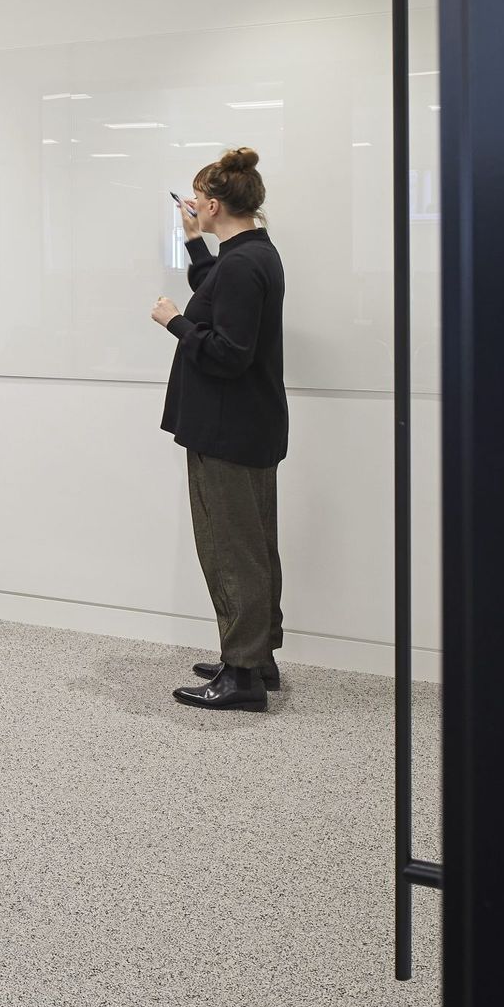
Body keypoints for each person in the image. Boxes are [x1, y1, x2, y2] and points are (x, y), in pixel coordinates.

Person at [150, 147, 288, 712]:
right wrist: (192, 241)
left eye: (197, 201)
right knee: (255, 546)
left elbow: (228, 351)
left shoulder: (241, 263)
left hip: (226, 431)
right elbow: (221, 296)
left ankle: (242, 676)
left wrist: (173, 321)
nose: (193, 206)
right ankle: (257, 655)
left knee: (231, 550)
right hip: (250, 425)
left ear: (210, 202)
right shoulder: (254, 253)